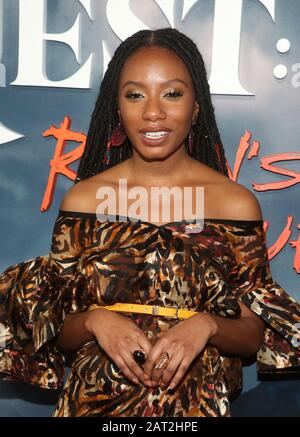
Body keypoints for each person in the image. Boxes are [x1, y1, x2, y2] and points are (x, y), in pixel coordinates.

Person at [0, 28, 299, 418]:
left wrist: (205, 325)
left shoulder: (235, 204)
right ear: (118, 108)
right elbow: (58, 331)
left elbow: (251, 335)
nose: (153, 112)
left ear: (196, 107)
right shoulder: (85, 199)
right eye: (135, 94)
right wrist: (95, 320)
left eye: (172, 93)